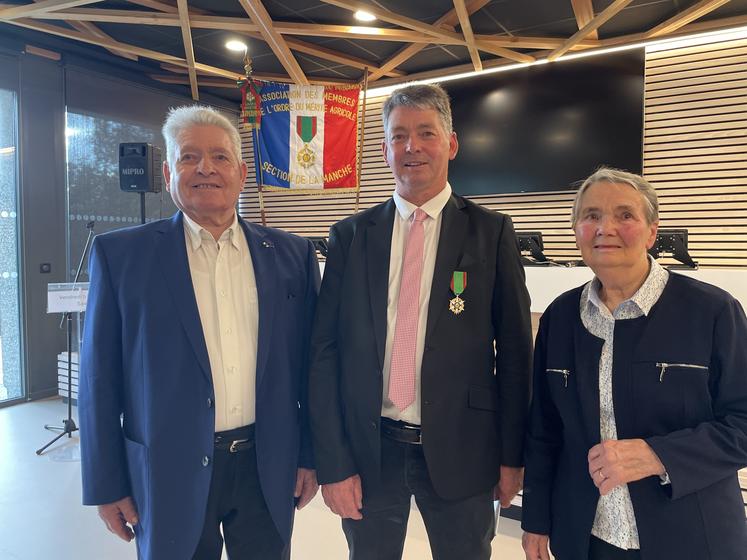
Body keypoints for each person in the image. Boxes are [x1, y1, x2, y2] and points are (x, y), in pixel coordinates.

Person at [78, 105, 320, 560]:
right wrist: (106, 483)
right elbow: (98, 381)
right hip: (166, 469)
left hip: (266, 465)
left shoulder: (292, 256)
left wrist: (308, 455)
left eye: (220, 157)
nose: (205, 168)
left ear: (242, 173)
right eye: (189, 157)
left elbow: (311, 369)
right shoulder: (121, 257)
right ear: (169, 171)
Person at [308, 83, 533, 559]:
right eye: (399, 135)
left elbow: (515, 353)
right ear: (386, 148)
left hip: (464, 450)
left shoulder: (490, 232)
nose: (412, 147)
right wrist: (332, 462)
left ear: (451, 143)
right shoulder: (350, 235)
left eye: (426, 133)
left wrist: (513, 457)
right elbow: (324, 352)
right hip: (371, 452)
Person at [521, 167, 747, 560]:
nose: (605, 228)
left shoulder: (712, 311)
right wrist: (536, 520)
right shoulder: (559, 318)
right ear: (577, 231)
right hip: (586, 536)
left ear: (651, 231)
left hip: (690, 536)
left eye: (625, 215)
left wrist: (659, 455)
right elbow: (545, 428)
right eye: (591, 215)